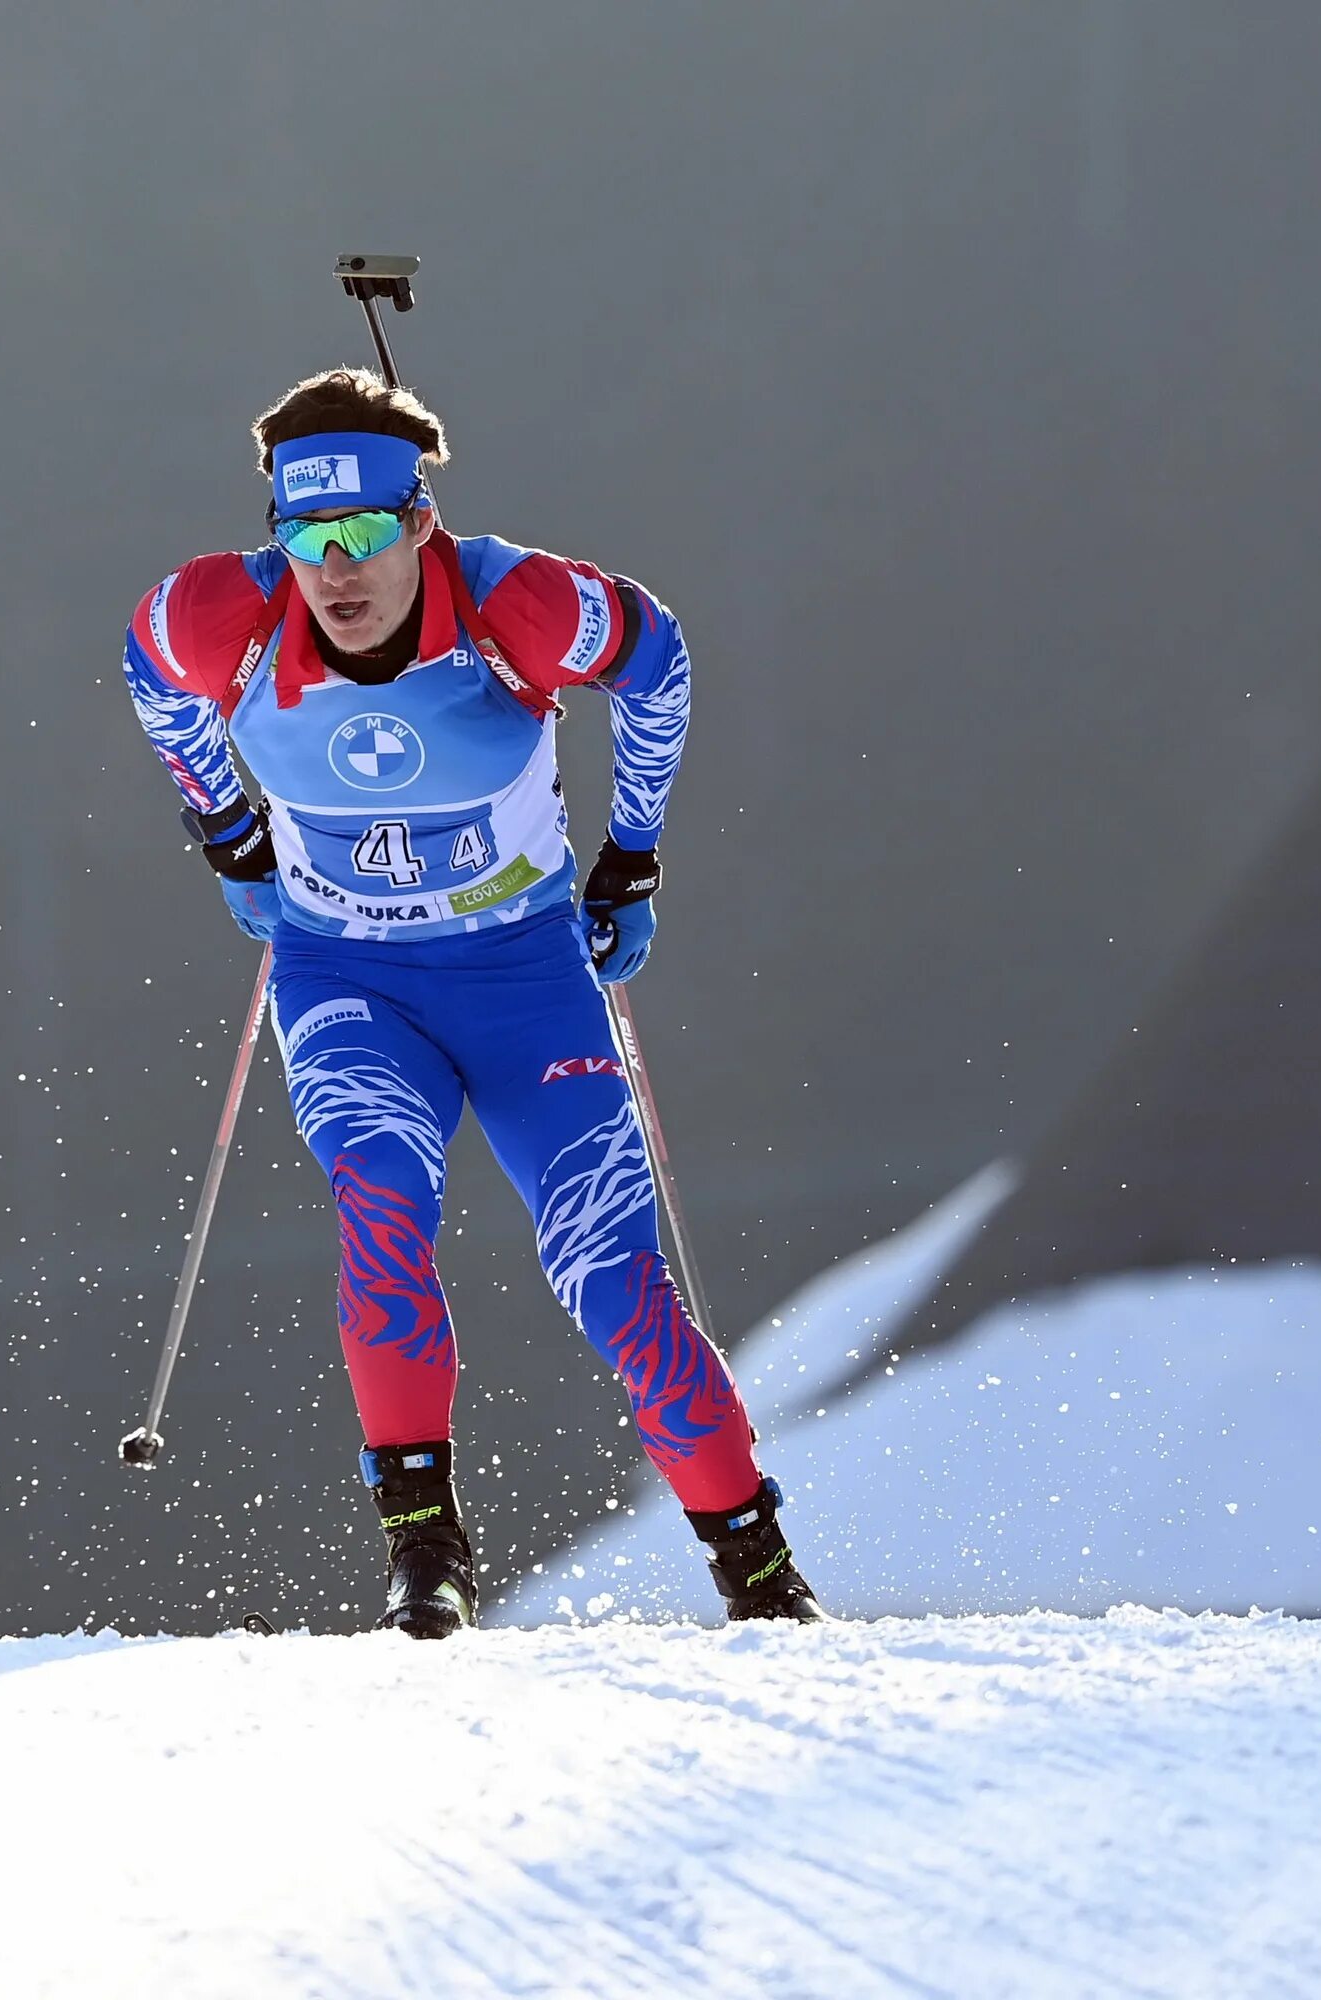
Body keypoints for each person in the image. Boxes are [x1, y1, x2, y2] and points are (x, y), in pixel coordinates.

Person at [121, 368, 824, 1635]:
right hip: (348, 979)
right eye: (303, 536)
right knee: (381, 1209)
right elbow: (150, 671)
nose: (334, 570)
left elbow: (655, 661)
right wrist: (229, 837)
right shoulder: (221, 613)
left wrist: (633, 853)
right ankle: (425, 1552)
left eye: (362, 534)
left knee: (612, 1273)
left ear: (418, 521)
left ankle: (758, 1570)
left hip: (526, 981)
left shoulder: (515, 602)